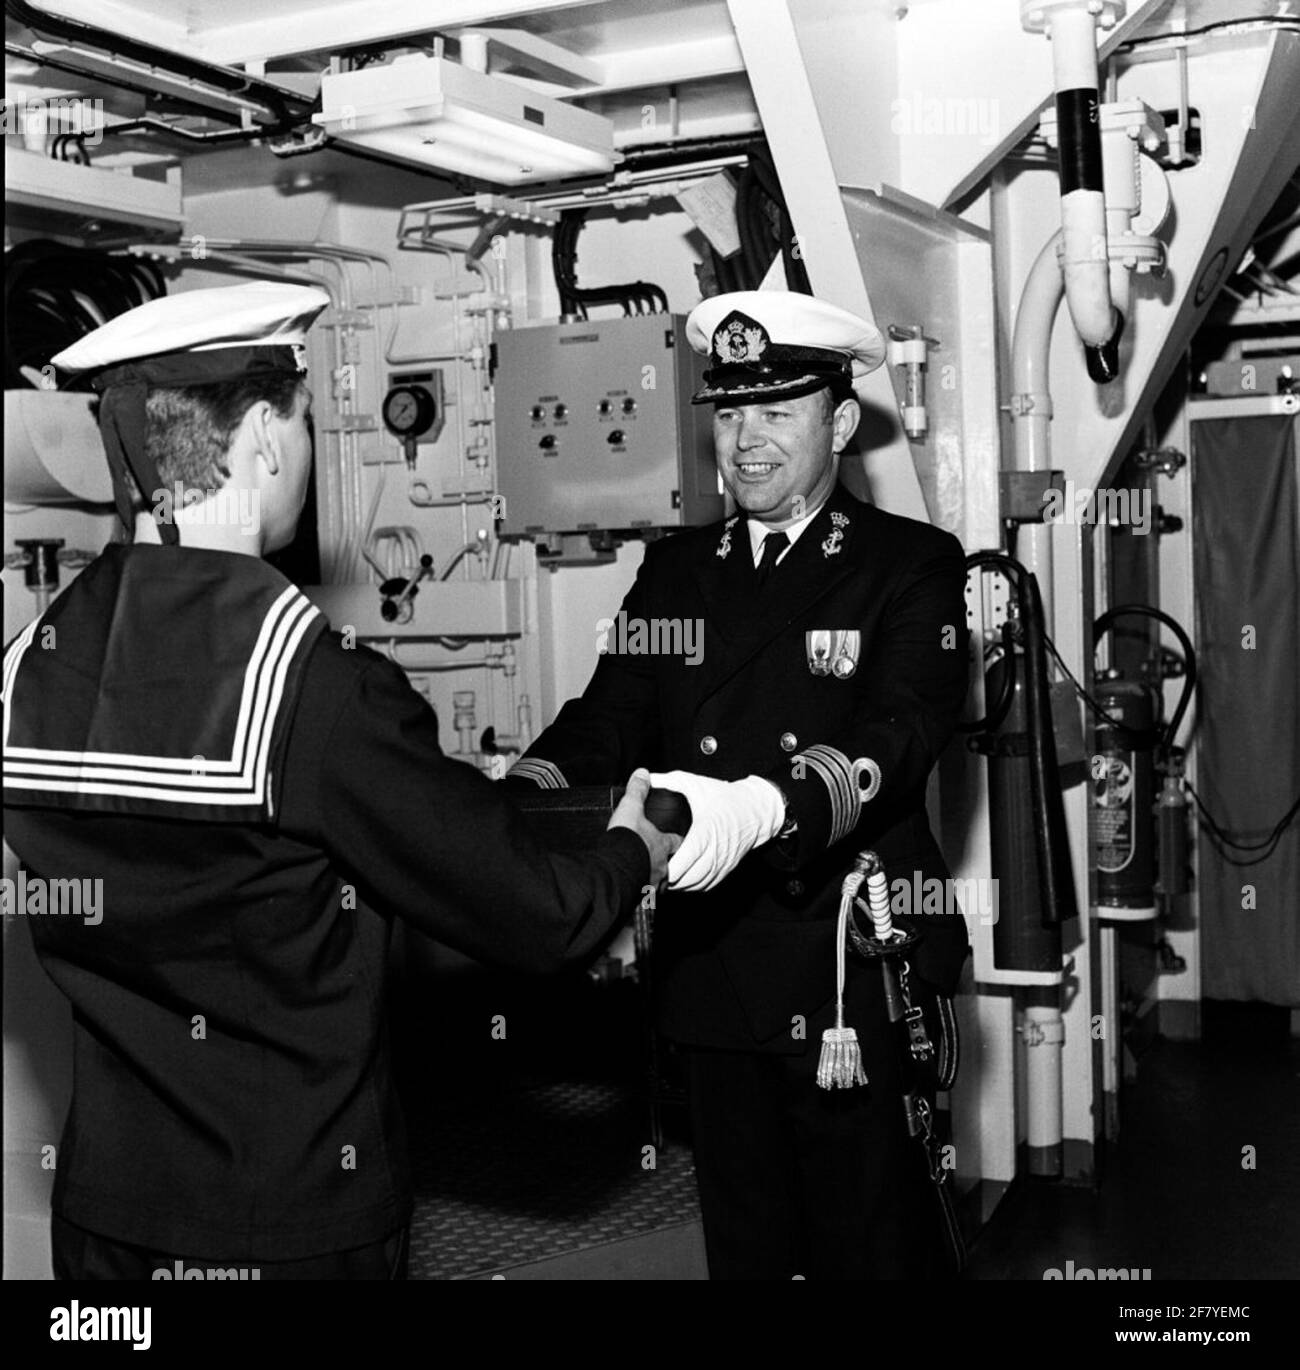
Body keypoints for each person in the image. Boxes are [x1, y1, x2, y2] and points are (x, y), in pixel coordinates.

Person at [1, 282, 700, 1280]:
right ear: (265, 440)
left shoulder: (32, 662)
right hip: (287, 1216)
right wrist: (635, 842)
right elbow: (539, 915)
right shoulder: (312, 685)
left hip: (110, 1213)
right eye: (305, 420)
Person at [505, 289, 972, 1280]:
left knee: (870, 1243)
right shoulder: (675, 574)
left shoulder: (910, 567)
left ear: (839, 423)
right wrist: (512, 800)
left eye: (775, 410)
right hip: (711, 965)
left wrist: (768, 806)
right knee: (746, 1241)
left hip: (850, 965)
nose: (744, 439)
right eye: (728, 411)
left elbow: (902, 733)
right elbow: (605, 719)